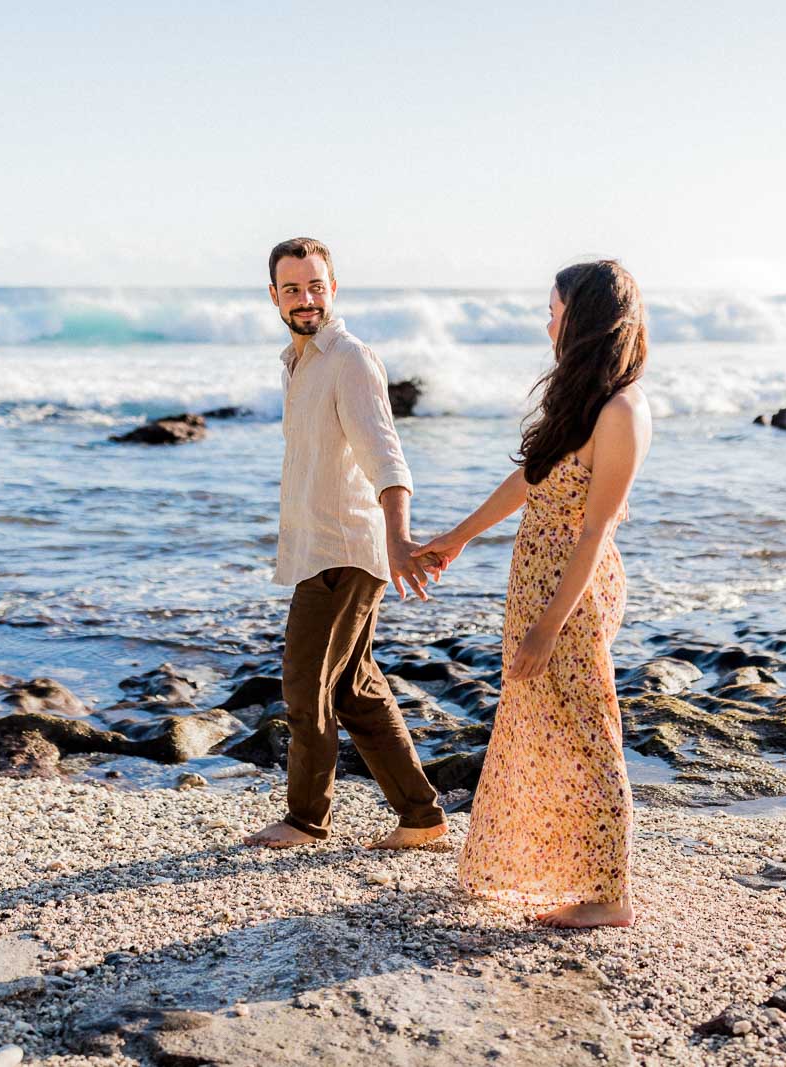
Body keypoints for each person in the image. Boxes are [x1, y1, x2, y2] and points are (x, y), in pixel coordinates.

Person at [416, 260, 651, 927]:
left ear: (585, 317)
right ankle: (558, 871)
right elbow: (531, 479)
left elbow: (595, 532)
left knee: (589, 731)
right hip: (537, 588)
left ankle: (610, 895)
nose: (547, 320)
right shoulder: (580, 399)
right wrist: (458, 535)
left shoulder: (621, 410)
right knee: (542, 728)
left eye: (554, 308)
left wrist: (550, 624)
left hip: (571, 597)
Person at [242, 237, 448, 851]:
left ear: (334, 288)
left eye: (316, 287)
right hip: (319, 547)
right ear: (274, 295)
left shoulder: (350, 359)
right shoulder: (298, 360)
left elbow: (386, 454)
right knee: (353, 688)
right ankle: (421, 816)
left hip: (347, 549)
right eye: (292, 289)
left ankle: (306, 820)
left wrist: (400, 535)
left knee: (306, 687)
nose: (306, 299)